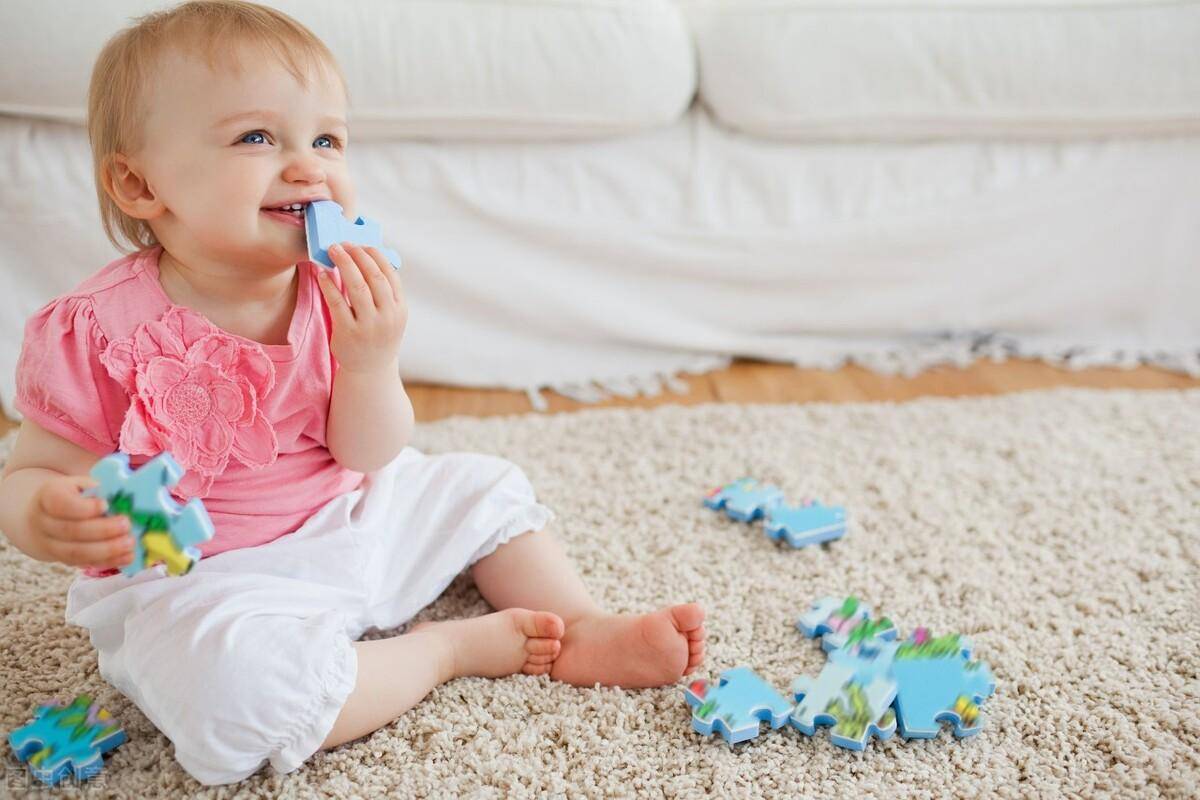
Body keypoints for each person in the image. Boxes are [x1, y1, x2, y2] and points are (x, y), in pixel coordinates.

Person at [0, 1, 705, 786]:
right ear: (140, 184)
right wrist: (41, 512)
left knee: (483, 487)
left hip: (351, 515)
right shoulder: (97, 332)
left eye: (327, 138)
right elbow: (32, 469)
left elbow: (369, 454)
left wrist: (372, 362)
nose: (309, 166)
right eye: (256, 138)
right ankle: (440, 650)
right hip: (207, 581)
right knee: (235, 697)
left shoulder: (332, 287)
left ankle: (579, 625)